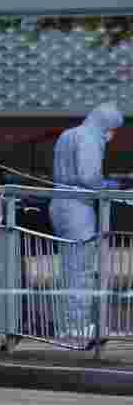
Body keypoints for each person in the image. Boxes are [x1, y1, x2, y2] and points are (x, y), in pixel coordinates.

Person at [49, 102, 125, 342]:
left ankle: (65, 325)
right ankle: (78, 326)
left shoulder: (67, 134)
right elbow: (88, 176)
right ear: (107, 124)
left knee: (67, 269)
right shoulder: (90, 138)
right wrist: (107, 186)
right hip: (78, 209)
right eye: (114, 129)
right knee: (81, 270)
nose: (112, 135)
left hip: (57, 205)